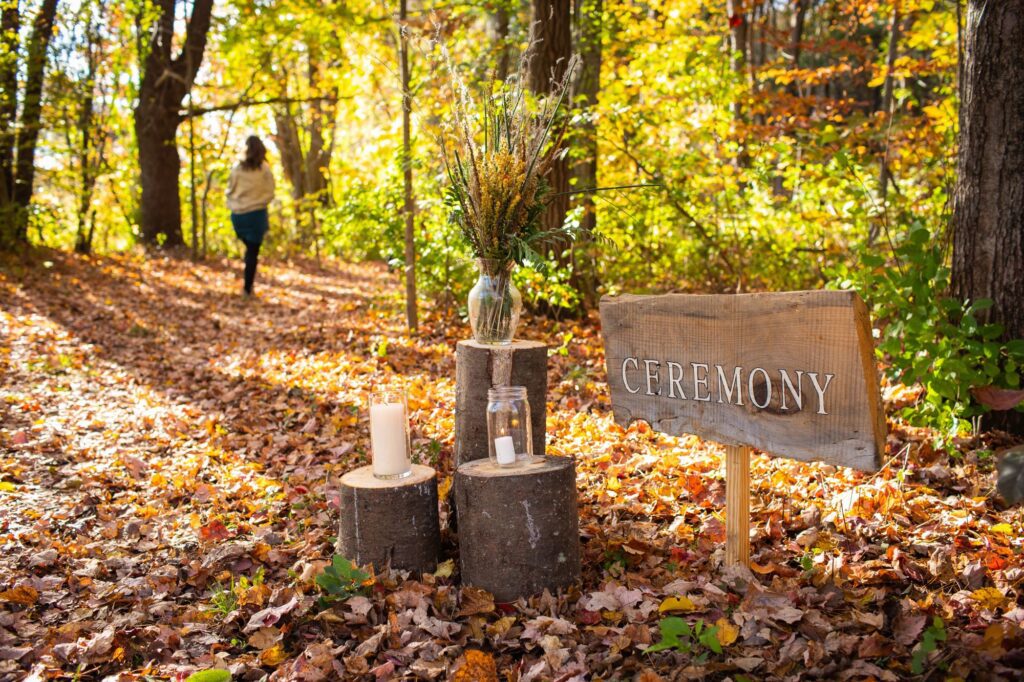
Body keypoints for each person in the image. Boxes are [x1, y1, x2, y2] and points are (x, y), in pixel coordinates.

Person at [226, 136, 275, 296]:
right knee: (252, 252)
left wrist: (235, 203)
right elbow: (271, 191)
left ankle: (247, 286)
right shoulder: (264, 169)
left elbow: (230, 189)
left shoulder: (237, 169)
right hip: (256, 215)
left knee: (250, 250)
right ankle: (247, 288)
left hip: (239, 215)